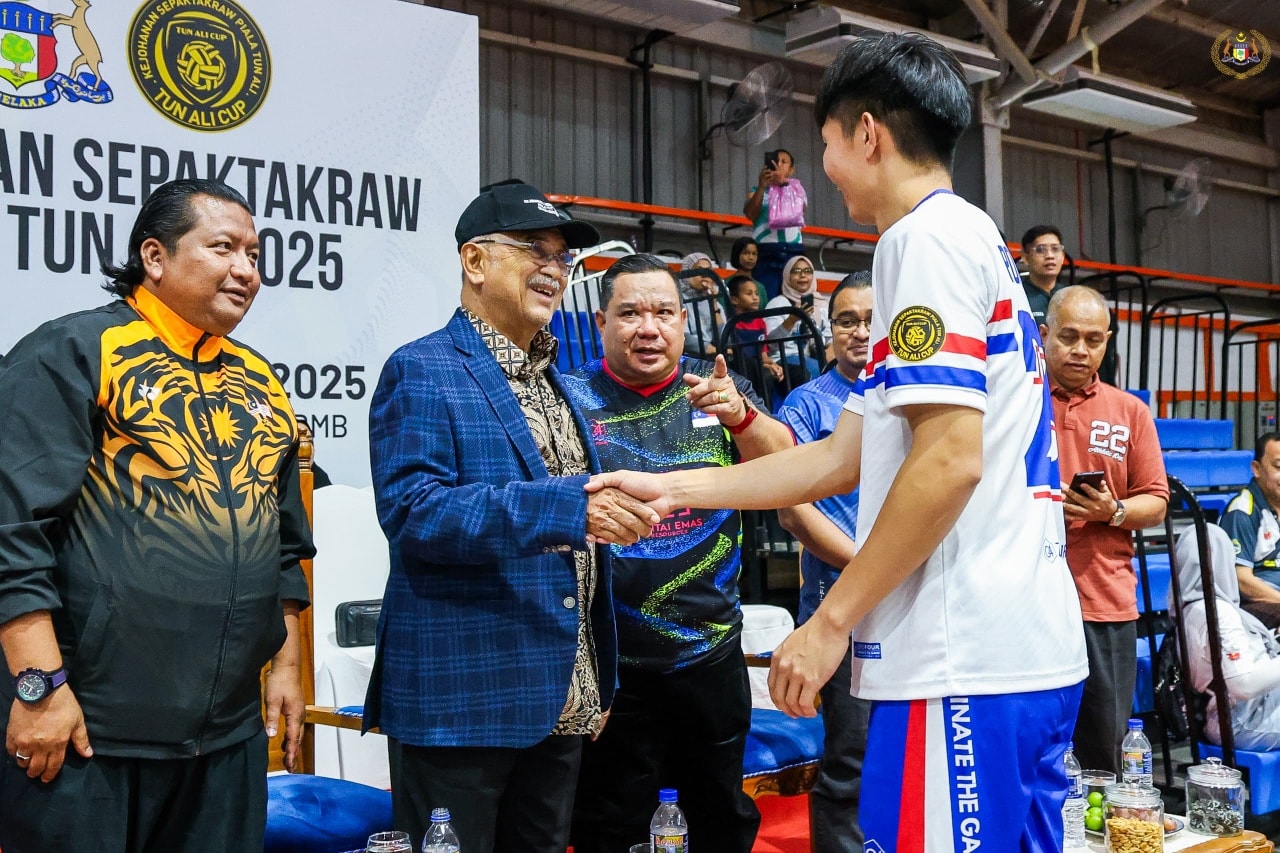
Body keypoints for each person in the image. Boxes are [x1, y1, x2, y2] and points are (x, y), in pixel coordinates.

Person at [589, 32, 1088, 852]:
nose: (825, 169)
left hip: (962, 659)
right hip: (1016, 648)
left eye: (825, 144)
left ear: (867, 133)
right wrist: (673, 487)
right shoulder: (974, 241)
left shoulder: (920, 241)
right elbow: (835, 458)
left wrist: (830, 622)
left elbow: (950, 460)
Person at [0, 178, 314, 853]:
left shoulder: (261, 381)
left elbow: (286, 545)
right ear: (154, 256)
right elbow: (12, 533)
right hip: (89, 731)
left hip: (227, 740)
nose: (246, 270)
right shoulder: (75, 351)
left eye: (254, 254)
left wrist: (287, 670)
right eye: (223, 247)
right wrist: (39, 689)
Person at [364, 181, 659, 853]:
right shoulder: (421, 369)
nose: (555, 268)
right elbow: (415, 512)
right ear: (475, 261)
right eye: (534, 250)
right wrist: (568, 507)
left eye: (563, 257)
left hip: (560, 701)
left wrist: (594, 675)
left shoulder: (556, 381)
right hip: (463, 703)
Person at [563, 253, 795, 853]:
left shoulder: (714, 386)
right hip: (610, 663)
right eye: (630, 314)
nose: (649, 328)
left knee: (719, 820)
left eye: (664, 313)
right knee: (610, 828)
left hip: (710, 652)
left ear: (683, 322)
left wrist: (742, 416)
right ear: (600, 323)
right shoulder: (569, 400)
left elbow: (788, 466)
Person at [1043, 285, 1168, 774]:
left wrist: (1111, 511)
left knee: (1102, 750)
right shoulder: (1016, 400)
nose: (1081, 349)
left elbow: (1156, 502)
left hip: (1103, 600)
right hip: (1026, 599)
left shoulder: (1130, 411)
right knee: (1032, 745)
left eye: (1093, 340)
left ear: (1107, 342)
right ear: (1045, 334)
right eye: (1069, 336)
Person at [774, 272, 873, 852]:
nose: (860, 332)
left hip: (915, 603)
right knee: (849, 761)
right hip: (840, 604)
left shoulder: (912, 400)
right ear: (829, 330)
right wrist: (875, 566)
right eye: (846, 320)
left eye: (871, 320)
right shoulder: (808, 404)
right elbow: (793, 512)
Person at [1173, 523, 1280, 751]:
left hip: (1238, 714)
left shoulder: (1188, 610)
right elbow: (1244, 685)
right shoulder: (1217, 613)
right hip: (1244, 720)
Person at [1021, 224, 1119, 384]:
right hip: (1030, 380)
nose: (1049, 256)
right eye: (1040, 250)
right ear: (1025, 257)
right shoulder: (1017, 296)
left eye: (1055, 249)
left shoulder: (1075, 299)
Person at [1219, 431, 1280, 628]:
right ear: (1257, 469)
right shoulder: (1242, 511)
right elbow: (1242, 580)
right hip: (1253, 604)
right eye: (1278, 467)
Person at [743, 148, 807, 299]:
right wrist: (761, 187)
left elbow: (797, 211)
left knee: (797, 298)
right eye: (776, 161)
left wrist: (782, 184)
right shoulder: (756, 190)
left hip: (793, 250)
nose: (779, 165)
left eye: (784, 162)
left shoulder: (797, 189)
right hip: (766, 250)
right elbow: (750, 214)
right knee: (767, 296)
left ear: (791, 170)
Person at [764, 254, 828, 385]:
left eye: (807, 271)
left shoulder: (822, 304)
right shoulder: (777, 304)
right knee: (816, 369)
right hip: (783, 359)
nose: (802, 275)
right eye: (796, 271)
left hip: (812, 357)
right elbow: (770, 345)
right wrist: (792, 319)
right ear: (788, 276)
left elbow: (830, 338)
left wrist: (830, 353)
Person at [725, 273, 785, 404]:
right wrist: (765, 366)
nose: (755, 297)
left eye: (756, 293)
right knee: (765, 375)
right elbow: (739, 357)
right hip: (743, 367)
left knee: (796, 372)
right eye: (749, 293)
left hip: (759, 364)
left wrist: (773, 365)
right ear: (734, 300)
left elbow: (763, 355)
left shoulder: (760, 322)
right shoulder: (731, 324)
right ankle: (764, 412)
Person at [679, 252, 726, 357]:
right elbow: (685, 339)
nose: (704, 275)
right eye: (698, 270)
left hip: (712, 353)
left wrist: (713, 303)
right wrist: (714, 350)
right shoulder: (678, 299)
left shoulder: (714, 301)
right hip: (689, 355)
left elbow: (723, 337)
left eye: (708, 271)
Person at [730, 235, 768, 308]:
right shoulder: (726, 283)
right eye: (746, 253)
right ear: (737, 254)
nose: (751, 257)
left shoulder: (760, 288)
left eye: (754, 254)